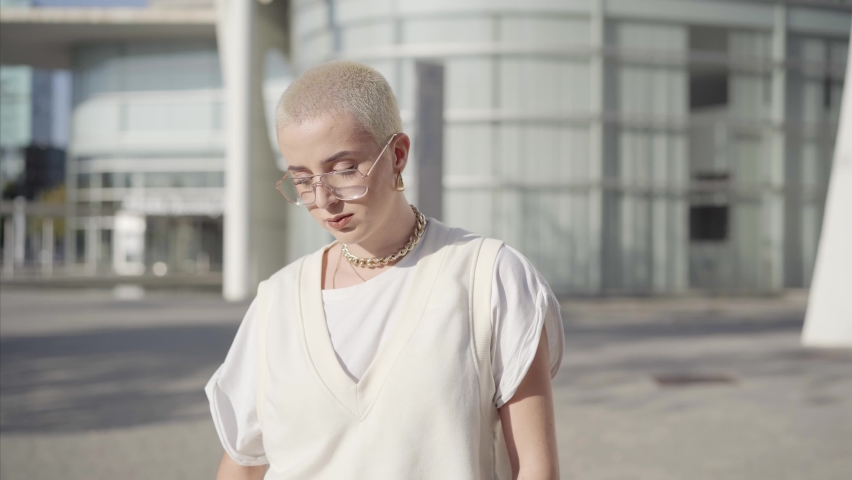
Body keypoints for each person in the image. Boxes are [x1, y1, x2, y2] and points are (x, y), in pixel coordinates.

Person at [205, 60, 565, 480]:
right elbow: (245, 464)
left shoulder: (488, 276)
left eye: (343, 170)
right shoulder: (278, 299)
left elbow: (536, 468)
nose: (323, 200)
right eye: (302, 180)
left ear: (397, 155)